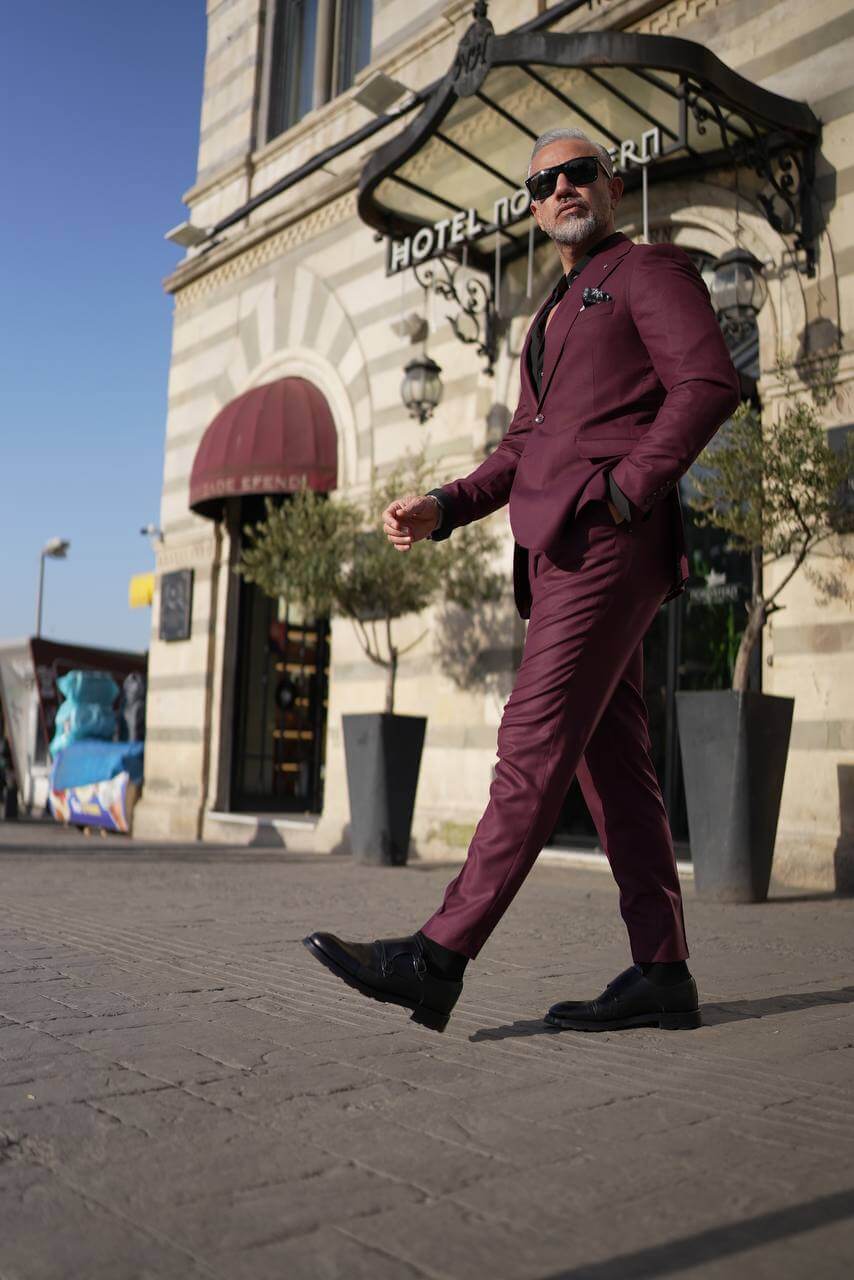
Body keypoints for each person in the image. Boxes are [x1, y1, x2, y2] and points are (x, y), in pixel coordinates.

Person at [304, 127, 740, 1034]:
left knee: (533, 737)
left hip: (604, 541)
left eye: (579, 173)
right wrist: (443, 504)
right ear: (535, 208)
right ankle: (663, 972)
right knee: (613, 764)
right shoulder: (549, 315)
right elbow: (522, 449)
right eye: (542, 183)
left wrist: (627, 491)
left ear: (611, 187)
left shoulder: (648, 271)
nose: (561, 190)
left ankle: (437, 956)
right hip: (556, 551)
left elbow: (706, 381)